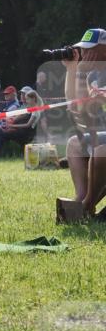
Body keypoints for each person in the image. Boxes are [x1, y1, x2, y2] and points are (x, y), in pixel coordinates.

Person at [60, 28, 106, 220]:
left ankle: (87, 205)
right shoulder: (94, 75)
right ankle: (81, 198)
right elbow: (78, 109)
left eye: (90, 49)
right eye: (83, 49)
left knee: (101, 151)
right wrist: (73, 69)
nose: (85, 53)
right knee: (75, 144)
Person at [0, 86, 42, 158]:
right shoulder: (30, 109)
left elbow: (28, 125)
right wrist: (10, 123)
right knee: (0, 129)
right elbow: (20, 117)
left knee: (1, 133)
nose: (26, 101)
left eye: (27, 99)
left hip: (25, 134)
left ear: (33, 99)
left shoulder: (35, 111)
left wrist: (12, 126)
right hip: (21, 131)